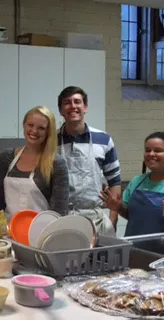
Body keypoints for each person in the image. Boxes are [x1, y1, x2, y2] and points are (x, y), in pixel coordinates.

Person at [101, 132, 164, 236]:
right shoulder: (137, 181)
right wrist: (118, 208)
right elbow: (131, 215)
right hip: (134, 245)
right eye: (147, 150)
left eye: (158, 150)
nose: (151, 154)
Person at [0, 106, 69, 236]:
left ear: (48, 132)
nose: (34, 131)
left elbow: (59, 213)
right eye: (30, 125)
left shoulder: (56, 164)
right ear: (23, 126)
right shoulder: (7, 157)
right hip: (9, 237)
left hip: (40, 238)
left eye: (41, 128)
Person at [57, 86, 121, 237]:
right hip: (62, 218)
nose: (73, 106)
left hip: (96, 220)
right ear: (60, 110)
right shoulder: (51, 142)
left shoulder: (104, 140)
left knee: (100, 261)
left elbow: (115, 182)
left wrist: (113, 220)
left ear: (85, 107)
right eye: (67, 102)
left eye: (77, 102)